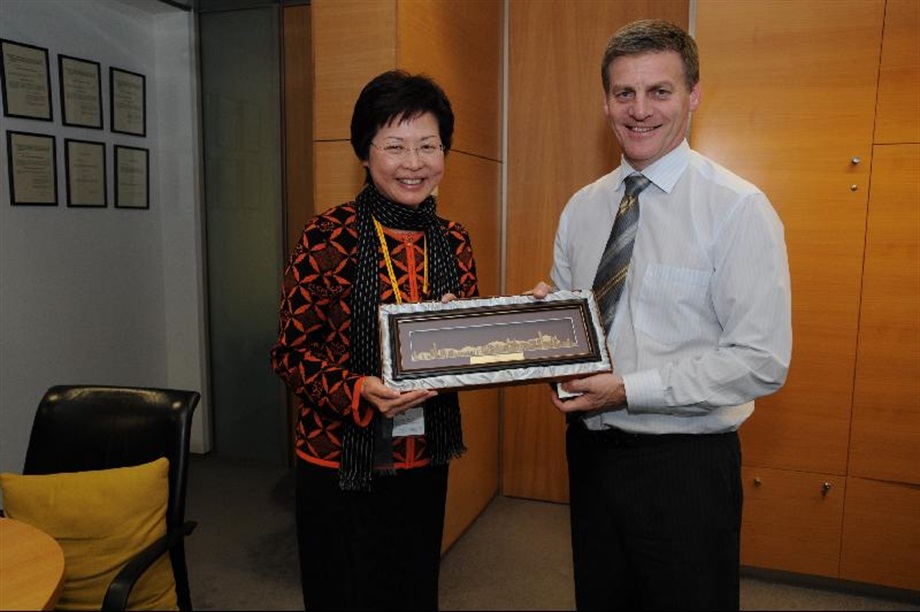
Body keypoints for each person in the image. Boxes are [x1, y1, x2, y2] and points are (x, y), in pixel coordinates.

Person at [532, 19, 792, 610]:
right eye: (625, 93)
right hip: (591, 454)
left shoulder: (739, 210)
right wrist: (543, 329)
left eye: (660, 91)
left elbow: (761, 361)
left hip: (686, 467)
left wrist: (627, 389)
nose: (639, 110)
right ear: (606, 102)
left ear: (694, 95)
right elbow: (575, 331)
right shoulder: (583, 207)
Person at [270, 69, 478, 611]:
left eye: (428, 145)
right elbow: (290, 353)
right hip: (339, 459)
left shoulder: (454, 242)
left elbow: (465, 348)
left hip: (423, 457)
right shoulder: (328, 234)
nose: (414, 163)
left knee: (411, 588)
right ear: (365, 152)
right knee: (344, 591)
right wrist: (357, 387)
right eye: (395, 146)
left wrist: (513, 326)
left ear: (444, 152)